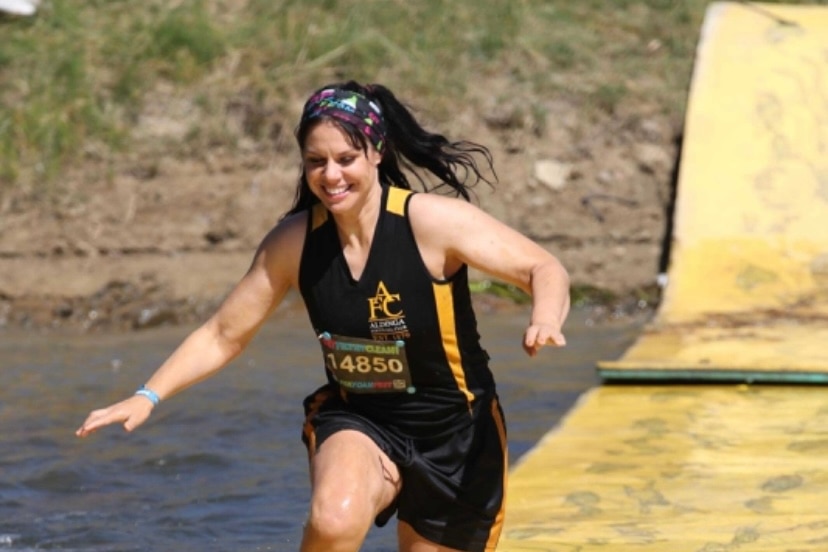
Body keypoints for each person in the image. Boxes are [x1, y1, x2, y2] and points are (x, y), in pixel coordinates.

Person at [76, 81, 571, 552]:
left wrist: (545, 317)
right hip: (362, 418)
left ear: (377, 152)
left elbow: (541, 267)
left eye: (346, 159)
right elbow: (223, 334)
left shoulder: (431, 223)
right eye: (316, 162)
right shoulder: (293, 242)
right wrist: (147, 395)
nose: (331, 176)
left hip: (457, 436)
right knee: (335, 517)